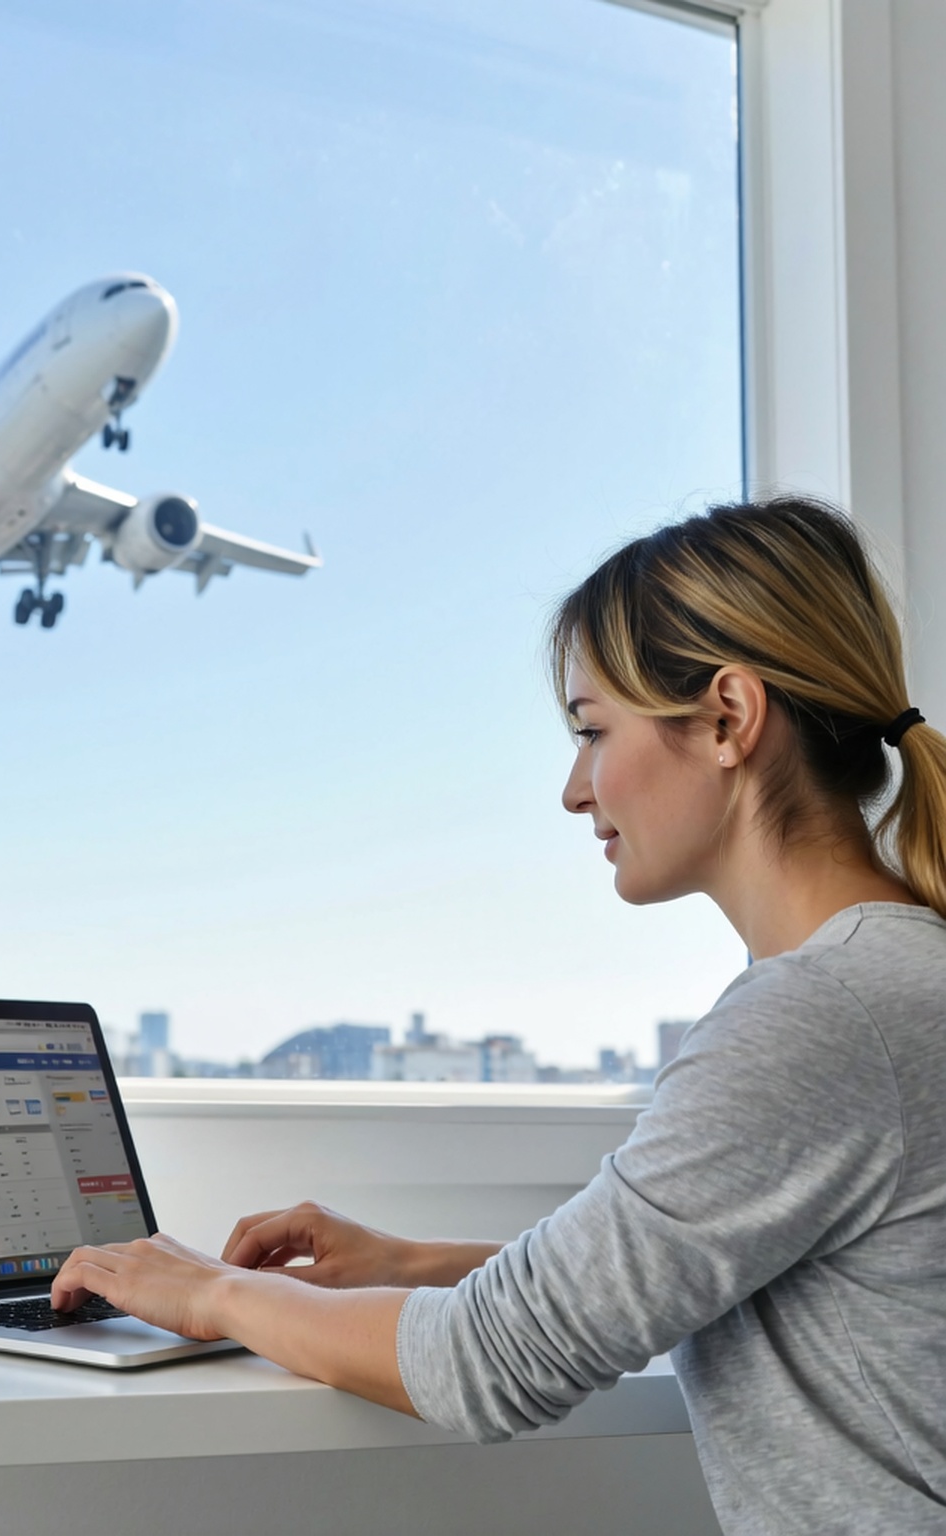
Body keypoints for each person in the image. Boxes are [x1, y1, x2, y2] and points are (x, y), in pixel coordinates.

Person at [51, 497, 946, 1534]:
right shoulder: (893, 978)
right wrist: (409, 1264)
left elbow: (491, 1363)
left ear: (728, 719)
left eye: (593, 731)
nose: (576, 790)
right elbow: (678, 1266)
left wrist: (208, 1296)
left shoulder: (819, 1016)